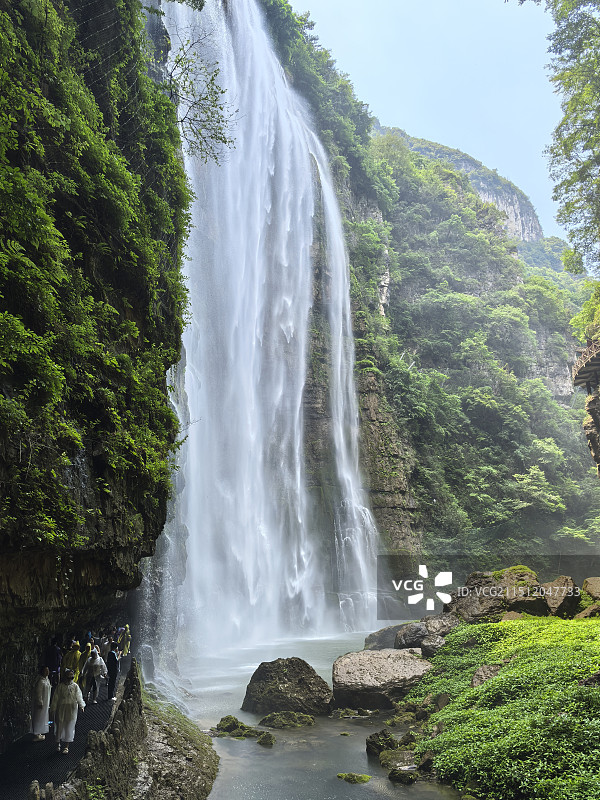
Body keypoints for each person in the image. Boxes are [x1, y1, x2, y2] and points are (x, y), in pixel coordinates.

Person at [50, 669, 85, 754]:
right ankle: (58, 743)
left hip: (72, 709)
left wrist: (81, 705)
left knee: (70, 726)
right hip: (61, 708)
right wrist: (53, 708)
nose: (70, 677)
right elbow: (55, 698)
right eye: (68, 675)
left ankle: (66, 746)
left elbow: (79, 696)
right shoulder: (60, 686)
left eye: (71, 675)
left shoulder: (75, 686)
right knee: (59, 725)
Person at [31, 666, 51, 741]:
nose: (47, 672)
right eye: (45, 670)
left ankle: (39, 732)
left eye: (48, 670)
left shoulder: (46, 680)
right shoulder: (40, 681)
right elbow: (38, 693)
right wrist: (40, 702)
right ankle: (36, 733)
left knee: (42, 717)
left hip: (46, 702)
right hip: (41, 703)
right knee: (38, 717)